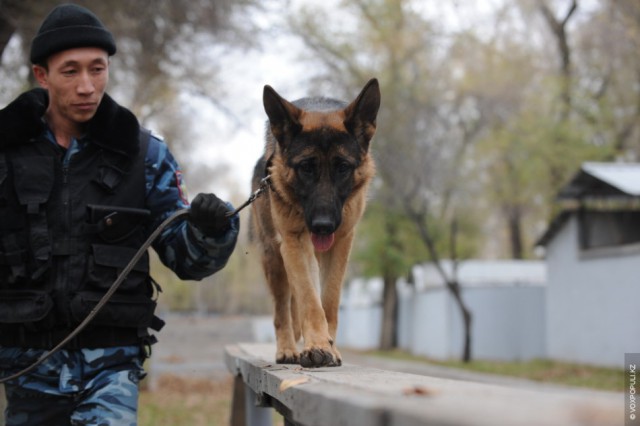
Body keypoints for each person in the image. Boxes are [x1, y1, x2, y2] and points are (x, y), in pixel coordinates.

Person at [0, 4, 239, 425]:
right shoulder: (5, 153)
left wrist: (211, 230)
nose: (87, 86)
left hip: (111, 369)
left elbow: (186, 259)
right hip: (26, 369)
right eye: (70, 71)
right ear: (42, 75)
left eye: (97, 69)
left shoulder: (145, 156)